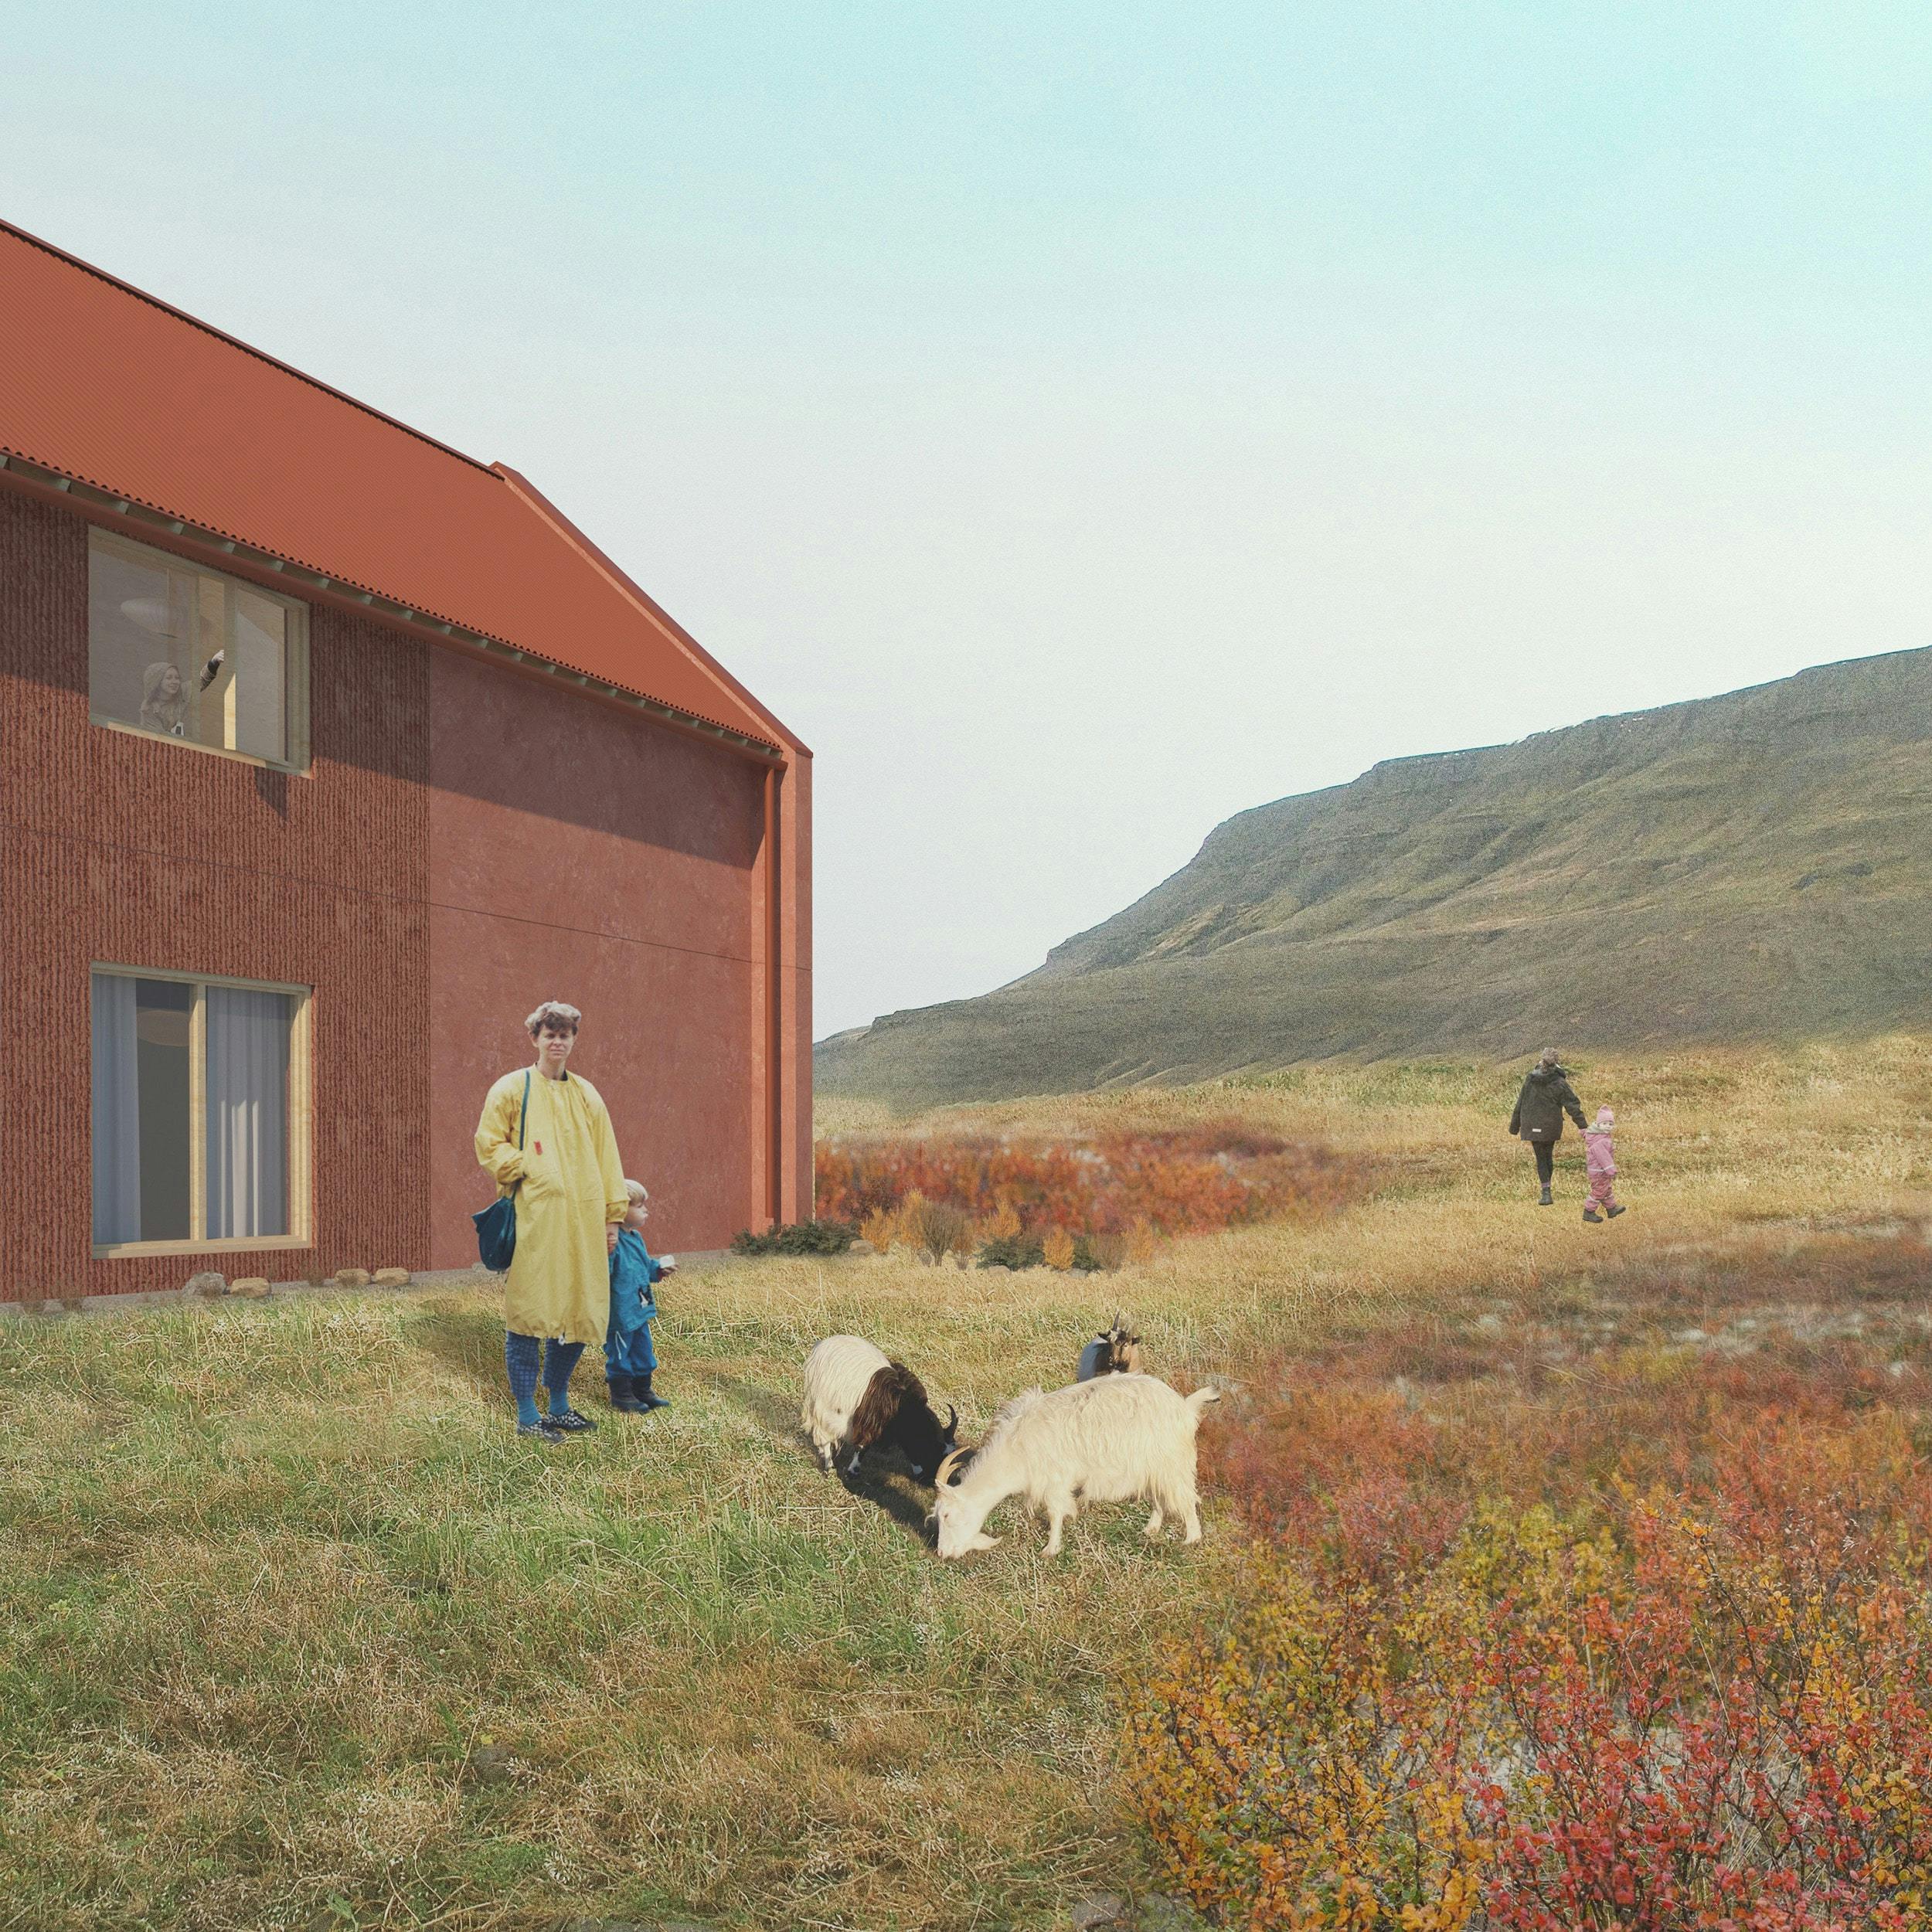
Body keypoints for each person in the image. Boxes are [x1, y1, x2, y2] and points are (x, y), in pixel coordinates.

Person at [474, 1000, 629, 1442]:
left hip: (583, 1221)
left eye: (565, 1035)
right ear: (535, 1039)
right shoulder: (511, 1088)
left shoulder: (587, 1094)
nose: (557, 1042)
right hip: (536, 1220)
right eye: (550, 1034)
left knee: (579, 1310)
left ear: (574, 1040)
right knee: (530, 1312)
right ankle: (527, 1414)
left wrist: (612, 1218)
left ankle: (558, 1403)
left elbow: (607, 1156)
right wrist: (524, 1164)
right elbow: (488, 1143)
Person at [607, 1179, 677, 1413]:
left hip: (639, 1308)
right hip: (619, 1313)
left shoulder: (636, 1237)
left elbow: (643, 1265)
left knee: (643, 1350)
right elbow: (602, 1273)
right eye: (639, 1206)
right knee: (620, 1352)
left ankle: (643, 1390)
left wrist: (658, 1269)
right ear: (620, 1210)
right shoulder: (611, 1243)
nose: (646, 1210)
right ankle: (622, 1394)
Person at [1507, 1047, 1587, 1206]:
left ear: (1541, 1060)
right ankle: (1546, 1192)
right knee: (1547, 1155)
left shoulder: (1530, 1079)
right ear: (1556, 1063)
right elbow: (1573, 1105)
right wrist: (1582, 1125)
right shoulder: (1560, 1082)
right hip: (1551, 1125)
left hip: (1532, 1123)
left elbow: (1520, 1102)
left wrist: (1514, 1126)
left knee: (1540, 1157)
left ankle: (1546, 1193)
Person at [1582, 1107, 1625, 1223]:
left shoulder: (1600, 1136)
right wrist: (1611, 1170)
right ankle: (1588, 1212)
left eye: (1610, 1124)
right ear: (1598, 1125)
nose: (1608, 1126)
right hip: (1599, 1172)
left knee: (1606, 1190)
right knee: (1599, 1191)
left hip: (1599, 1171)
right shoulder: (1601, 1141)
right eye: (1605, 1123)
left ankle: (1611, 1209)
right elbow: (1603, 1157)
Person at [139, 662, 187, 736]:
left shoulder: (183, 694)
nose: (174, 682)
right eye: (169, 678)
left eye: (177, 678)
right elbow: (159, 739)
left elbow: (201, 681)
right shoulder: (149, 709)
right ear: (158, 681)